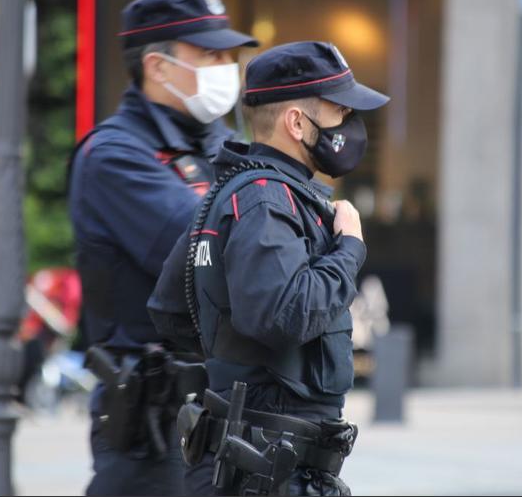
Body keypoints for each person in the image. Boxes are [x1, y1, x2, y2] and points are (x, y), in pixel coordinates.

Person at [150, 41, 389, 495]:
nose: (349, 123)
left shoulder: (236, 192)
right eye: (339, 110)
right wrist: (349, 249)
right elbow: (284, 314)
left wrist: (237, 365)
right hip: (268, 468)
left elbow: (171, 310)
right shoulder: (265, 199)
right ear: (296, 123)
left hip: (256, 458)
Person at [68, 0, 258, 496]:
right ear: (157, 66)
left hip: (226, 417)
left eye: (229, 56)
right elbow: (216, 255)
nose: (226, 68)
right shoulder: (115, 156)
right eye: (210, 55)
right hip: (154, 434)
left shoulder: (224, 143)